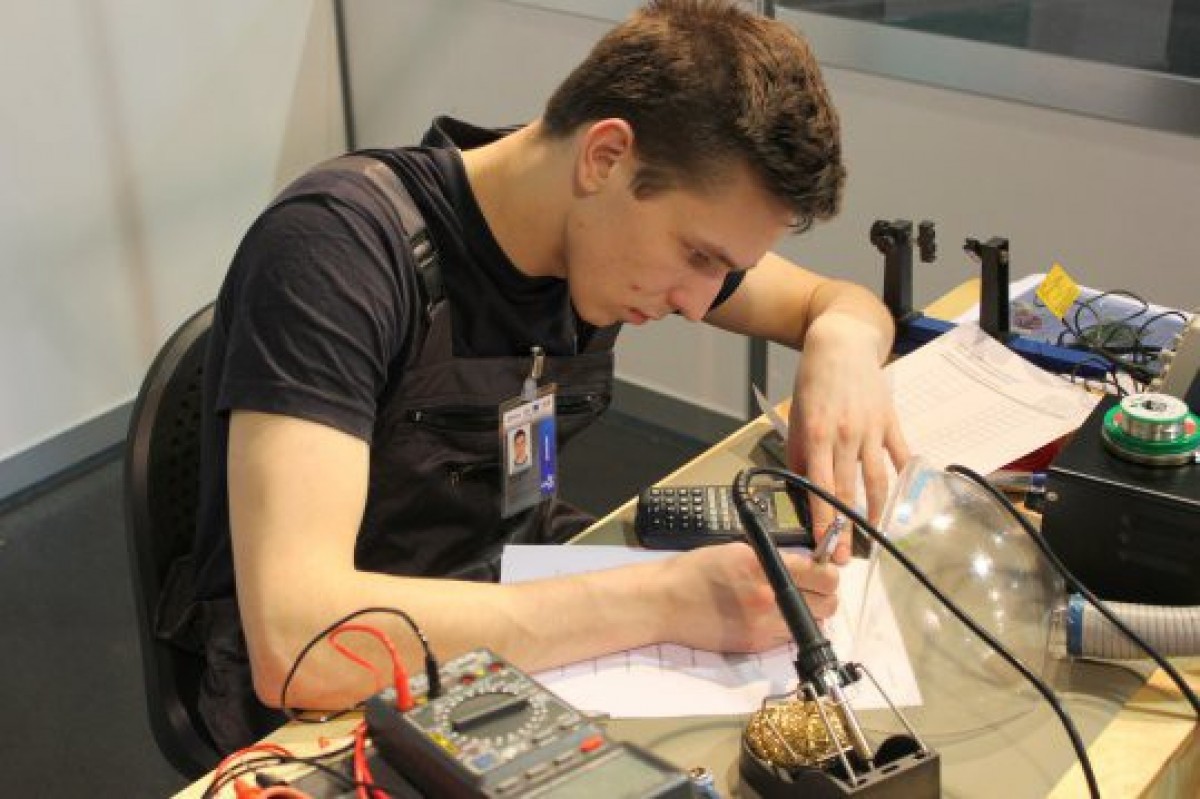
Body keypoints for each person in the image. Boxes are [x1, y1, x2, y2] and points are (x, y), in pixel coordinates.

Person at [186, 0, 908, 751]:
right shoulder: (334, 254)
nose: (700, 303)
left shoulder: (590, 229)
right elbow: (300, 642)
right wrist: (660, 602)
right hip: (336, 707)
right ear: (605, 157)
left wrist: (845, 345)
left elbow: (836, 302)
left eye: (726, 271)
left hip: (521, 614)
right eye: (698, 256)